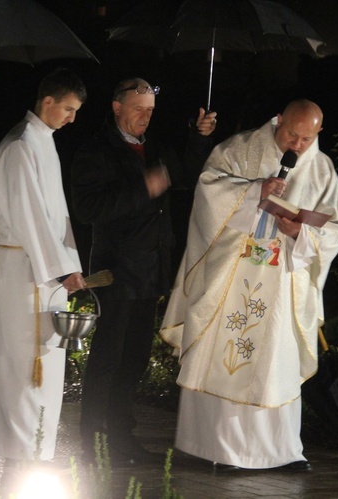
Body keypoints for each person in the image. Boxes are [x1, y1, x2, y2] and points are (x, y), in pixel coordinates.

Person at [160, 99, 338, 471]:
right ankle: (218, 449)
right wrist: (254, 193)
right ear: (278, 119)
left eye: (306, 138)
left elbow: (337, 226)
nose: (297, 144)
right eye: (292, 134)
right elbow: (208, 192)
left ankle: (279, 451)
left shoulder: (322, 170)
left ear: (318, 133)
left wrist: (301, 233)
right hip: (234, 274)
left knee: (275, 364)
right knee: (227, 357)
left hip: (282, 282)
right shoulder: (238, 149)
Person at [71, 77, 217, 465]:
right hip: (116, 270)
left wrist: (198, 137)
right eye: (138, 110)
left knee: (135, 357)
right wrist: (144, 188)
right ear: (117, 107)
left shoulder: (154, 146)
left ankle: (121, 439)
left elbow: (187, 173)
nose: (145, 118)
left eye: (150, 111)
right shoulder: (96, 151)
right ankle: (92, 445)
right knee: (108, 358)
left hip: (151, 268)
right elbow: (88, 209)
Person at [0, 68, 87, 474]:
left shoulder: (44, 142)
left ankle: (34, 450)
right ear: (47, 102)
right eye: (68, 109)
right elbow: (30, 219)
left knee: (42, 368)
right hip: (21, 271)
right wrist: (63, 270)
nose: (72, 118)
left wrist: (70, 267)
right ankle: (18, 457)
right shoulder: (22, 146)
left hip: (42, 270)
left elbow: (56, 215)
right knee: (21, 365)